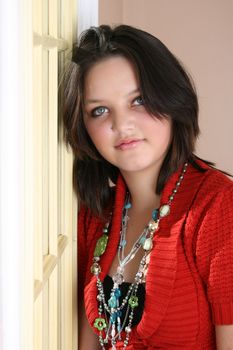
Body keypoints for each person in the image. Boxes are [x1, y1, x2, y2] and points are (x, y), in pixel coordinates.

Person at [62, 24, 233, 349]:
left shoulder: (218, 208)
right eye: (99, 110)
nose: (121, 124)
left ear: (170, 99)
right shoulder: (95, 213)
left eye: (138, 100)